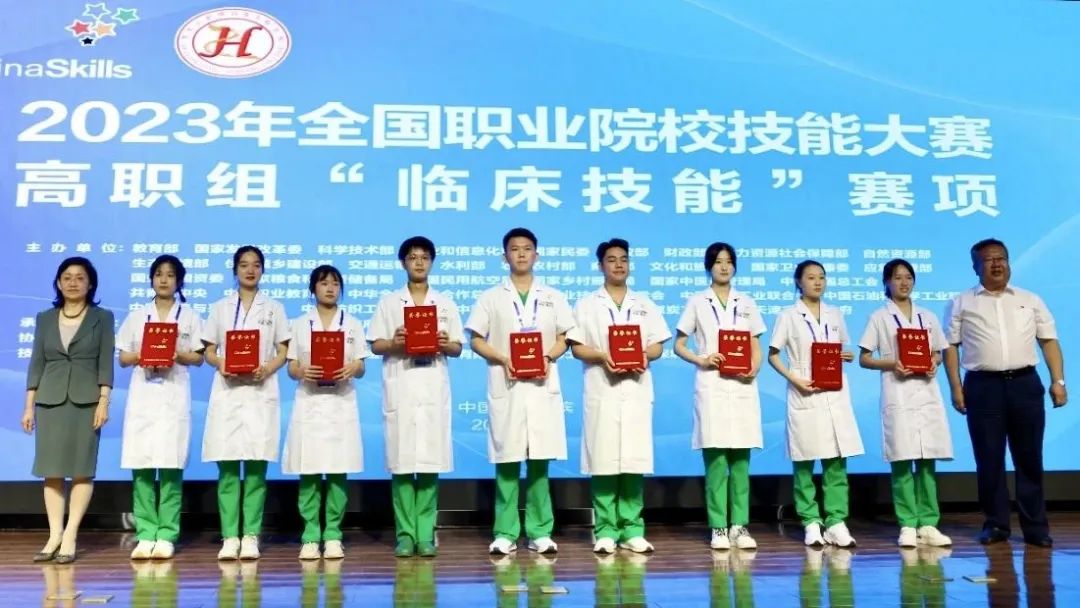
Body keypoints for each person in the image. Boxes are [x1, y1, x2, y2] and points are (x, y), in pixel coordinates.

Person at [943, 238, 1067, 547]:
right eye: (988, 259)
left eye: (1001, 258)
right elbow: (950, 347)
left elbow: (1048, 341)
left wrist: (1058, 381)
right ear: (975, 267)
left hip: (1025, 384)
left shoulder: (1030, 299)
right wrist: (956, 387)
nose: (996, 264)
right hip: (982, 386)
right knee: (989, 459)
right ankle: (996, 524)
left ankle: (1036, 528)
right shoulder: (961, 302)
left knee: (1029, 458)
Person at [466, 227, 574, 556]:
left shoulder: (553, 296)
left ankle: (540, 531)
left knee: (540, 463)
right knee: (507, 462)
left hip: (541, 386)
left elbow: (566, 337)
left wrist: (547, 357)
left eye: (527, 248)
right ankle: (505, 532)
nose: (522, 254)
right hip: (508, 385)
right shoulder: (491, 297)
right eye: (515, 249)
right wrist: (503, 358)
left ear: (536, 255)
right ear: (505, 256)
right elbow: (476, 339)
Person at [567, 238, 671, 554]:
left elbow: (658, 344)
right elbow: (577, 347)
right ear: (601, 265)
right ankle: (605, 530)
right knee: (604, 461)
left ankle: (632, 529)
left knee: (633, 461)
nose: (618, 265)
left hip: (635, 389)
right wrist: (603, 356)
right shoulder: (587, 304)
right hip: (603, 389)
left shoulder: (644, 303)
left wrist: (643, 355)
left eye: (623, 259)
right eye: (611, 259)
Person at [369, 236, 465, 558]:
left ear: (432, 262)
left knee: (428, 466)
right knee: (401, 465)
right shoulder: (389, 302)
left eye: (424, 257)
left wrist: (445, 343)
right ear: (403, 263)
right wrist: (394, 343)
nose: (419, 262)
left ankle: (425, 534)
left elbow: (457, 347)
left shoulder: (445, 303)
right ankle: (405, 535)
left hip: (432, 386)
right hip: (403, 386)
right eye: (413, 257)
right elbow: (375, 345)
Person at [22, 256, 115, 564]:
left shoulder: (102, 317)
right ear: (58, 283)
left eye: (80, 277)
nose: (73, 282)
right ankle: (54, 535)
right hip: (50, 400)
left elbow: (105, 362)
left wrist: (104, 401)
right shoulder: (44, 318)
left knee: (81, 469)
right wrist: (29, 406)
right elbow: (37, 362)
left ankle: (71, 534)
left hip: (86, 402)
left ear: (91, 284)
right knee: (51, 471)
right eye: (67, 277)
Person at [673, 242, 765, 550]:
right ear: (708, 266)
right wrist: (701, 359)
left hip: (742, 386)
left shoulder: (747, 302)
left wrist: (754, 367)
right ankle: (718, 527)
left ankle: (739, 526)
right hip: (712, 385)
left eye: (728, 261)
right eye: (718, 262)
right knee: (716, 462)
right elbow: (679, 345)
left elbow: (755, 345)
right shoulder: (698, 301)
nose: (724, 267)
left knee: (741, 462)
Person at [202, 246, 290, 560]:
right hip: (228, 392)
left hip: (259, 391)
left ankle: (250, 535)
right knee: (227, 468)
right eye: (243, 265)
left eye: (255, 265)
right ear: (235, 270)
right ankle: (230, 537)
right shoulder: (220, 308)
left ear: (262, 270)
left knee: (255, 468)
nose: (250, 270)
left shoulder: (274, 308)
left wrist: (268, 368)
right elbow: (209, 349)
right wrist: (220, 362)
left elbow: (283, 351)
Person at [858, 258, 953, 548]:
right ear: (887, 282)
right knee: (902, 460)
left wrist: (934, 361)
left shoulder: (927, 316)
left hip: (926, 392)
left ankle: (929, 523)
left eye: (908, 277)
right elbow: (864, 358)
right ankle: (908, 524)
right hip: (897, 392)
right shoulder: (879, 317)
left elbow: (939, 351)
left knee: (927, 460)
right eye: (897, 277)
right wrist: (892, 364)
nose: (904, 282)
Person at [767, 260, 863, 548]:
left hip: (834, 391)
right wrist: (794, 378)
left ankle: (836, 521)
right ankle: (810, 521)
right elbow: (773, 355)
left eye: (822, 277)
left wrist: (847, 356)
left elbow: (841, 349)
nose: (818, 282)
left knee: (836, 459)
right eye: (811, 277)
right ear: (799, 281)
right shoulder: (788, 315)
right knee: (804, 460)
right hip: (805, 390)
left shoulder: (835, 314)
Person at [116, 255, 205, 560]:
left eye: (170, 275)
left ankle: (166, 534)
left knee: (170, 466)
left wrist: (177, 353)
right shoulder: (137, 316)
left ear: (179, 281)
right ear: (151, 279)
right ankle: (145, 534)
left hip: (173, 394)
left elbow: (199, 357)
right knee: (141, 466)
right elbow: (123, 357)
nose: (164, 279)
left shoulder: (189, 316)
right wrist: (141, 355)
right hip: (143, 396)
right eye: (158, 274)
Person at [284, 265, 370, 560]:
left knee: (337, 470)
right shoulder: (299, 324)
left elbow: (362, 365)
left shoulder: (353, 323)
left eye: (335, 283)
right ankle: (310, 534)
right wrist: (301, 371)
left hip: (340, 402)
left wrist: (354, 367)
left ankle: (333, 533)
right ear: (313, 289)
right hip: (310, 403)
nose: (330, 288)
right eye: (323, 283)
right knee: (308, 470)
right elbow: (291, 366)